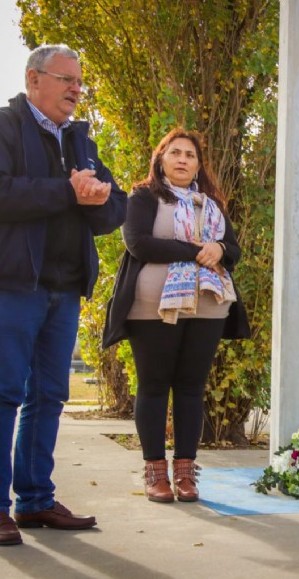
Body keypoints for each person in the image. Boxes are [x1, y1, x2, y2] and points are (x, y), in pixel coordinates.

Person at [0, 44, 126, 546]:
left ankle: (35, 502)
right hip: (14, 285)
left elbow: (114, 209)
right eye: (66, 79)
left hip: (64, 287)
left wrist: (97, 201)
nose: (76, 90)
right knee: (5, 394)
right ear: (34, 80)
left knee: (48, 396)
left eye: (80, 82)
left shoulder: (81, 141)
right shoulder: (6, 127)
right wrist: (66, 192)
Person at [102, 128, 249, 503]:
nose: (183, 159)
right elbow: (138, 243)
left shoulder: (210, 204)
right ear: (161, 158)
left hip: (209, 306)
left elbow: (233, 250)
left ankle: (185, 473)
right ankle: (155, 472)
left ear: (199, 165)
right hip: (152, 309)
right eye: (176, 153)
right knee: (153, 386)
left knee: (190, 387)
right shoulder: (144, 197)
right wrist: (194, 249)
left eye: (190, 155)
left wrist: (218, 248)